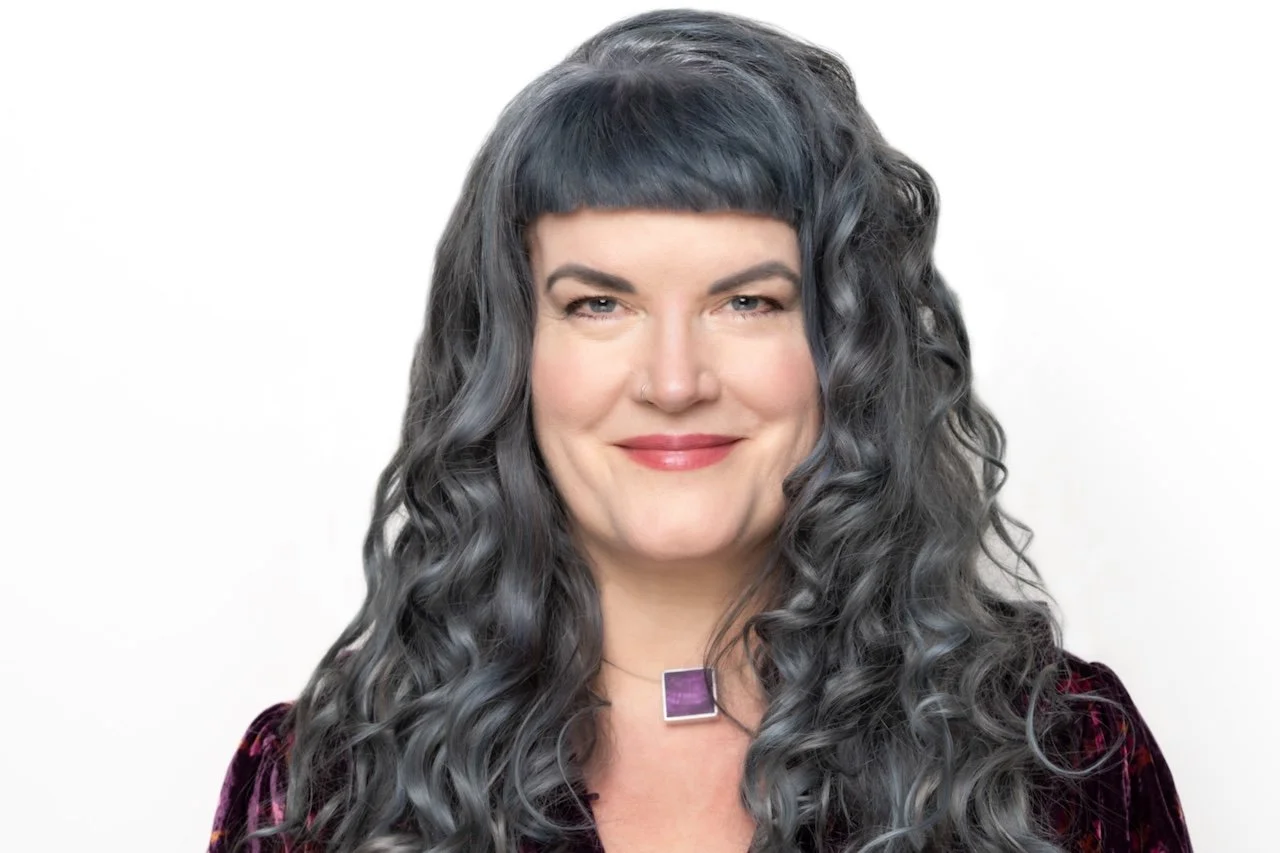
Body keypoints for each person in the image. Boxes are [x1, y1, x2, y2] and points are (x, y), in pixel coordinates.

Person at [207, 9, 1192, 853]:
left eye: (747, 303)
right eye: (599, 304)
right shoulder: (318, 794)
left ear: (845, 345)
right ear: (506, 355)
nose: (673, 381)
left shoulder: (1061, 765)